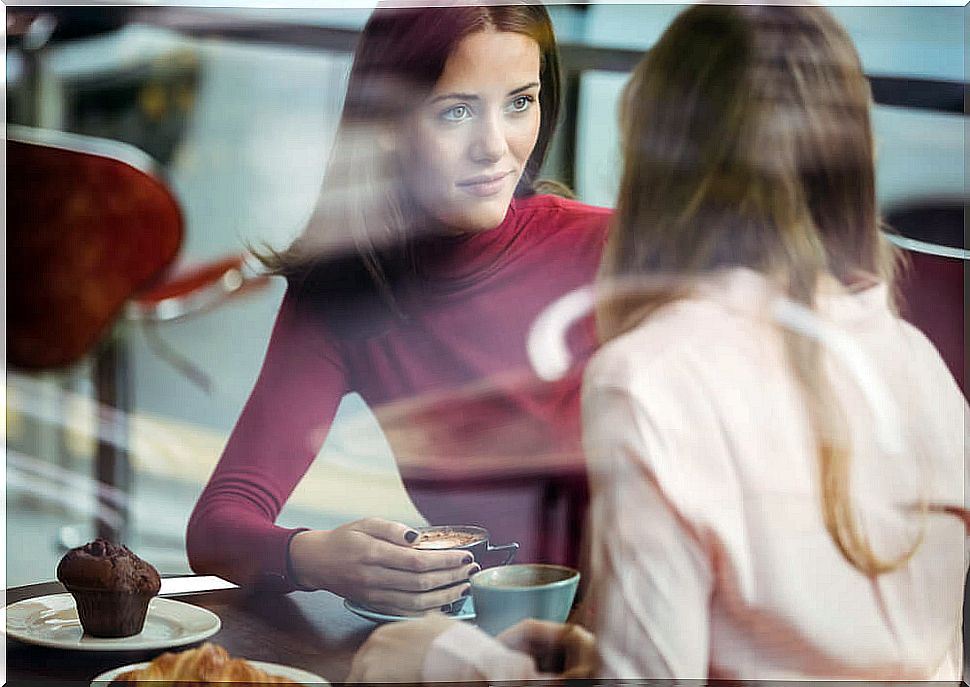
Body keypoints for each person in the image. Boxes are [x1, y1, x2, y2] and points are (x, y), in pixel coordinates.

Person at [348, 4, 968, 681]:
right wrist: (595, 661)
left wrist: (448, 659)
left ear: (660, 156)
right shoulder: (920, 364)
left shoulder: (651, 379)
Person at [186, 1, 611, 615]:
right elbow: (217, 528)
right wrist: (315, 556)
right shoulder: (343, 293)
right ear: (385, 120)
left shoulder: (610, 250)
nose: (495, 147)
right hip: (486, 644)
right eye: (457, 111)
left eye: (520, 102)